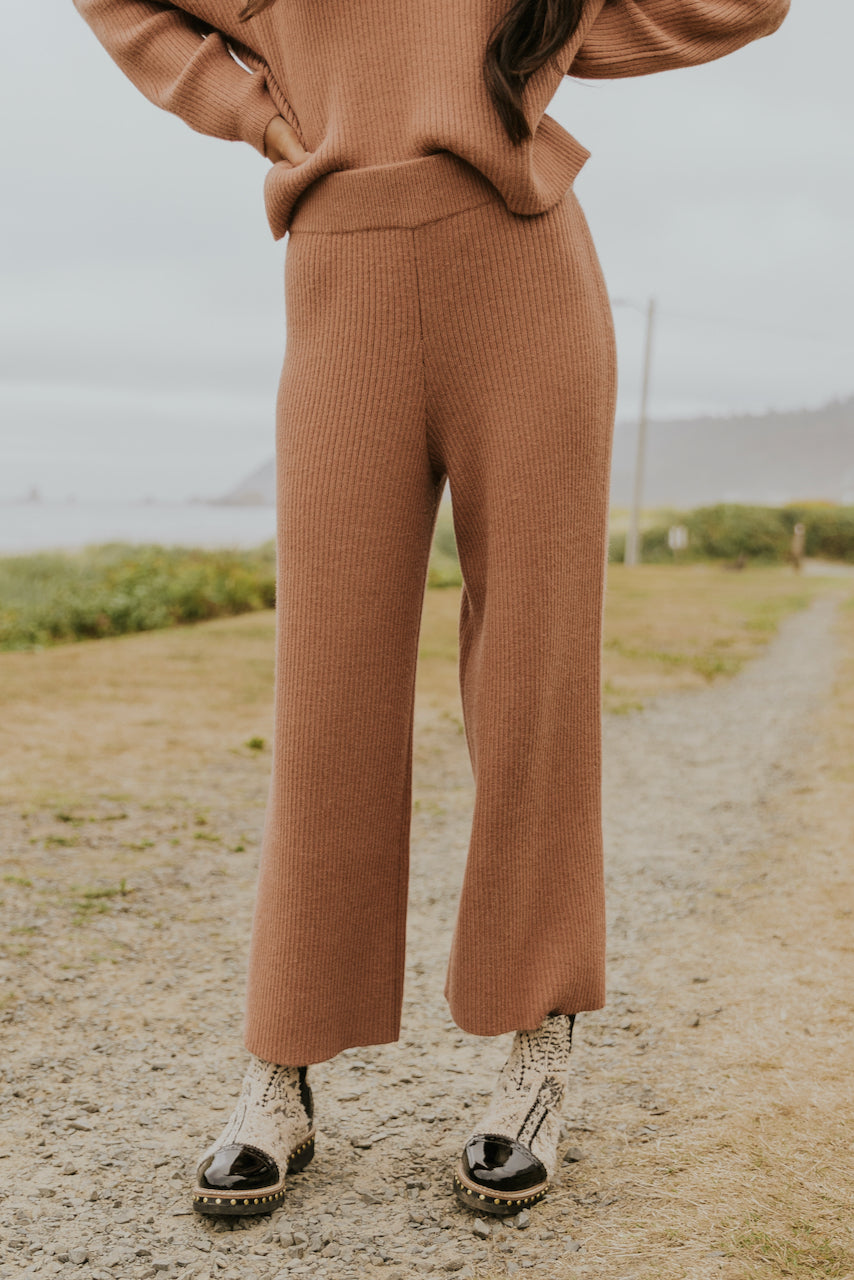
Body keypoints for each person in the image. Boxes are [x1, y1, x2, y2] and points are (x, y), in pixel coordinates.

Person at [72, 0, 790, 1220]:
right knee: (327, 686)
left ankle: (536, 1047)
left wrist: (543, 47)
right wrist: (252, 106)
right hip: (338, 271)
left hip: (523, 268)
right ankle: (282, 1059)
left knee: (531, 680)